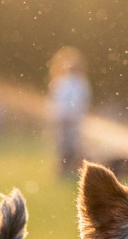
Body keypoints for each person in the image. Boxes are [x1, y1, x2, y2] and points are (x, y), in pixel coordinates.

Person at [47, 46, 91, 178]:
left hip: (74, 122)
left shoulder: (81, 84)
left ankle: (75, 170)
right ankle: (63, 171)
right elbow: (55, 102)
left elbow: (81, 103)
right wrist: (58, 117)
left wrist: (73, 116)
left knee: (73, 147)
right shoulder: (60, 82)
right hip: (61, 121)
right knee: (62, 147)